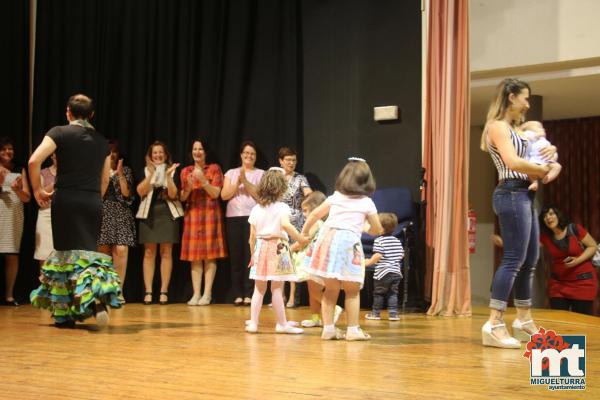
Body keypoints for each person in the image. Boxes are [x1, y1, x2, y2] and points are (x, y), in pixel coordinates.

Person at [29, 94, 121, 327]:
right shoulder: (102, 142)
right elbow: (104, 182)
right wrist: (93, 200)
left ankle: (65, 314)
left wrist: (38, 189)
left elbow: (33, 161)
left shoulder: (58, 132)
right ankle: (97, 301)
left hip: (66, 199)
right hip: (91, 201)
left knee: (65, 256)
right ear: (92, 115)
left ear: (68, 112)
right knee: (88, 254)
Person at [479, 78, 555, 348]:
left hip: (526, 194)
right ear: (511, 97)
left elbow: (540, 155)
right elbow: (511, 162)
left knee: (530, 258)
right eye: (524, 97)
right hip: (511, 192)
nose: (527, 103)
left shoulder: (517, 129)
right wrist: (541, 170)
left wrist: (550, 153)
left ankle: (523, 319)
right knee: (513, 258)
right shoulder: (497, 126)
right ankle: (494, 322)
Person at [302, 158, 384, 341]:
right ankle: (353, 330)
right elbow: (377, 229)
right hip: (348, 245)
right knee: (352, 291)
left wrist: (305, 231)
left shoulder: (335, 197)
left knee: (330, 290)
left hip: (328, 241)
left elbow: (315, 214)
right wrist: (368, 228)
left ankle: (329, 329)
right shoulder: (366, 203)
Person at [245, 168, 307, 334]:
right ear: (281, 188)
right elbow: (286, 225)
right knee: (277, 289)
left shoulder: (256, 209)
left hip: (260, 248)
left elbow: (251, 236)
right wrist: (301, 239)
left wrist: (253, 255)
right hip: (278, 248)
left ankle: (253, 323)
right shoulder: (282, 207)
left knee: (258, 289)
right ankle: (281, 324)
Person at [180, 139, 227, 306]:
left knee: (209, 255)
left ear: (205, 152)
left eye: (200, 149)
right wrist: (189, 187)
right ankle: (196, 293)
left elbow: (216, 194)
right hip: (192, 214)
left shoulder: (214, 169)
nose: (197, 152)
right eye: (195, 149)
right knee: (195, 256)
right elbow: (182, 198)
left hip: (210, 214)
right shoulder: (186, 171)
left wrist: (204, 181)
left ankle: (207, 294)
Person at [136, 141, 182, 305]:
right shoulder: (144, 170)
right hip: (149, 212)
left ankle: (164, 291)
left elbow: (173, 194)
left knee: (166, 252)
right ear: (150, 156)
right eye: (154, 153)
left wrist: (167, 176)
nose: (158, 155)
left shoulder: (174, 169)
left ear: (165, 154)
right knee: (149, 252)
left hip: (167, 212)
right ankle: (148, 291)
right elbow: (140, 191)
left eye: (160, 152)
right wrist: (152, 174)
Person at [290, 191, 344, 328]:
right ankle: (315, 318)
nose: (304, 214)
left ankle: (334, 308)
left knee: (315, 291)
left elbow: (303, 241)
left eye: (306, 210)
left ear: (316, 209)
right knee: (312, 290)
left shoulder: (316, 223)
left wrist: (290, 248)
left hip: (313, 262)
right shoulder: (323, 223)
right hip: (314, 261)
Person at [221, 141, 264, 306]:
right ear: (241, 155)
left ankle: (249, 293)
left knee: (251, 256)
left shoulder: (261, 173)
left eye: (252, 154)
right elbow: (224, 195)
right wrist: (236, 182)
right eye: (246, 153)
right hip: (233, 218)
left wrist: (245, 181)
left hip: (253, 218)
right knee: (236, 257)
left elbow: (261, 197)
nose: (249, 156)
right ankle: (237, 293)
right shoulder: (231, 173)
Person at [539, 206, 598, 315]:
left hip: (583, 283)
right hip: (558, 285)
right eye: (545, 216)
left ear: (558, 215)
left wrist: (577, 260)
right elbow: (527, 246)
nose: (548, 217)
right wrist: (504, 242)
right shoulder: (545, 237)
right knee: (559, 321)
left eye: (551, 214)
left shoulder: (575, 229)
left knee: (580, 323)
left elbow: (593, 246)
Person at [98, 141, 136, 304]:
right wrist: (107, 171)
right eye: (109, 152)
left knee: (121, 250)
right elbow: (101, 192)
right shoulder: (100, 171)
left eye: (115, 152)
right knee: (103, 252)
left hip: (121, 211)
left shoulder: (126, 170)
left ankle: (118, 291)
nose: (112, 154)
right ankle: (104, 291)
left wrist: (119, 174)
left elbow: (127, 193)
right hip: (104, 211)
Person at [278, 147, 312, 307]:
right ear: (281, 161)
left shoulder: (300, 178)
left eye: (293, 160)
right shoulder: (276, 178)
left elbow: (309, 194)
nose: (291, 163)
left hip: (297, 221)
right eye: (288, 160)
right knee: (281, 257)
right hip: (279, 221)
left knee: (293, 258)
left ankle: (293, 297)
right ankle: (280, 296)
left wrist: (310, 196)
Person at [0, 136, 31, 306]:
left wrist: (17, 190)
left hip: (14, 215)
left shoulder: (19, 169)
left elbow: (27, 198)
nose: (7, 152)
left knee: (12, 254)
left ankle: (9, 295)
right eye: (3, 149)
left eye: (10, 148)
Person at [365, 213, 404, 321]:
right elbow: (401, 255)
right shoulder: (397, 241)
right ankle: (393, 314)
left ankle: (375, 314)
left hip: (383, 273)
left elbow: (378, 255)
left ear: (380, 228)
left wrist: (368, 262)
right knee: (393, 293)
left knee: (379, 293)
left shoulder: (379, 241)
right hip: (396, 272)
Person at [519, 120, 561, 191]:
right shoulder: (529, 134)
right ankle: (534, 183)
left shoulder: (543, 139)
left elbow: (550, 149)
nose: (542, 129)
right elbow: (524, 136)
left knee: (558, 167)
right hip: (534, 160)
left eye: (542, 127)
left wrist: (554, 153)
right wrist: (536, 135)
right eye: (538, 127)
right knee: (531, 173)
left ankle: (547, 178)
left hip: (546, 161)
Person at [33, 153, 57, 266]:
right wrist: (55, 183)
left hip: (65, 214)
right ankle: (45, 283)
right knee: (44, 252)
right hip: (46, 212)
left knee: (63, 253)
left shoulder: (70, 173)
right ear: (52, 156)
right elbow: (41, 195)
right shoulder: (44, 172)